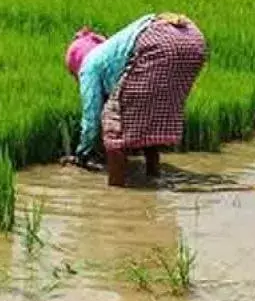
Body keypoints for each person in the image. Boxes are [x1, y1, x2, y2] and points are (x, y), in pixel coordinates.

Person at [66, 13, 209, 187]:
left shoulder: (89, 66)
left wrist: (82, 153)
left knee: (114, 123)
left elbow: (92, 119)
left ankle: (117, 191)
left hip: (158, 39)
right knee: (148, 115)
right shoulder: (112, 53)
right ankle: (153, 176)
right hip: (192, 37)